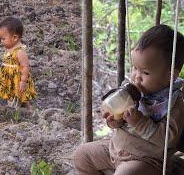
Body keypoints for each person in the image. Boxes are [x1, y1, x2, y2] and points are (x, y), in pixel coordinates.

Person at [72, 24, 184, 175]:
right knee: (81, 155)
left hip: (146, 161)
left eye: (145, 72)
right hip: (115, 149)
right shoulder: (130, 92)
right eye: (135, 68)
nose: (136, 76)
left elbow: (169, 139)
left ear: (170, 75)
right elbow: (119, 120)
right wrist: (115, 121)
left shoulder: (172, 103)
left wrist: (140, 123)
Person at [0, 16, 37, 109]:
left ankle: (18, 110)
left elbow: (25, 67)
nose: (1, 41)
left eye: (3, 39)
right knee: (14, 94)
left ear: (14, 37)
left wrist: (23, 81)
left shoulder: (19, 52)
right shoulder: (9, 48)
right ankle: (26, 106)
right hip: (9, 79)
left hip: (16, 79)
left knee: (17, 95)